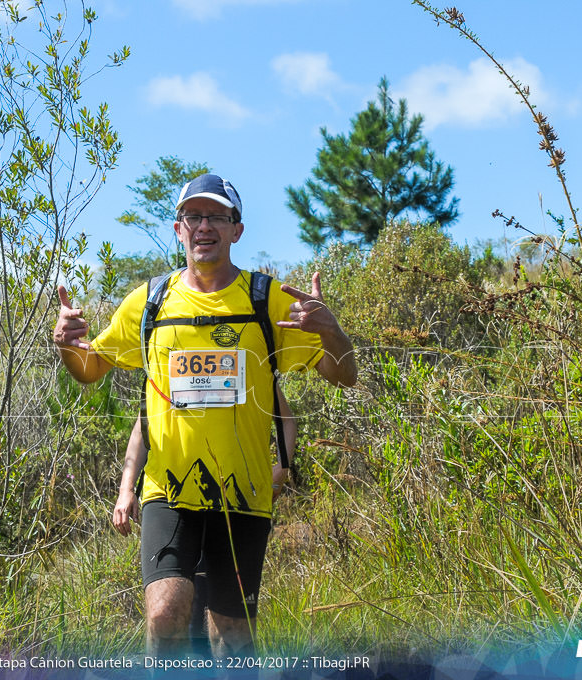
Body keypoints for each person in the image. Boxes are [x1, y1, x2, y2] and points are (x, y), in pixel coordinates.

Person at [53, 173, 357, 657]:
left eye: (217, 215)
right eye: (193, 216)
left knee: (230, 637)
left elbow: (344, 375)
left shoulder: (268, 300)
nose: (204, 225)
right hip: (167, 490)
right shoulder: (150, 301)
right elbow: (90, 368)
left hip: (243, 492)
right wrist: (68, 346)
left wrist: (332, 331)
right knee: (163, 614)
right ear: (179, 229)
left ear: (237, 229)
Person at [111, 390, 296, 655]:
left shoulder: (245, 355)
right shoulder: (167, 358)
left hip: (236, 503)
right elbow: (143, 426)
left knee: (229, 629)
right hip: (174, 502)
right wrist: (126, 489)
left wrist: (280, 470)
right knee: (173, 616)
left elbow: (286, 419)